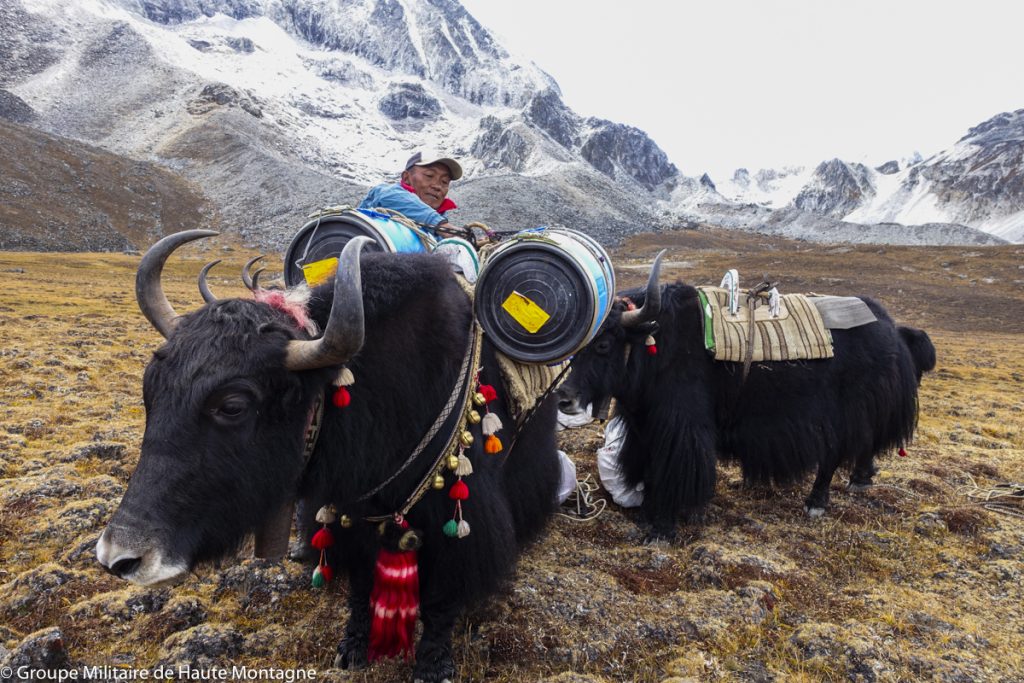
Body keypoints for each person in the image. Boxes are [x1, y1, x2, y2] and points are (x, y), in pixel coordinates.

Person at [359, 151, 463, 239]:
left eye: (444, 182)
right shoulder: (388, 193)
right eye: (429, 175)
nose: (437, 186)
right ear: (406, 178)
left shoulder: (441, 231)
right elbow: (388, 195)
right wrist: (441, 225)